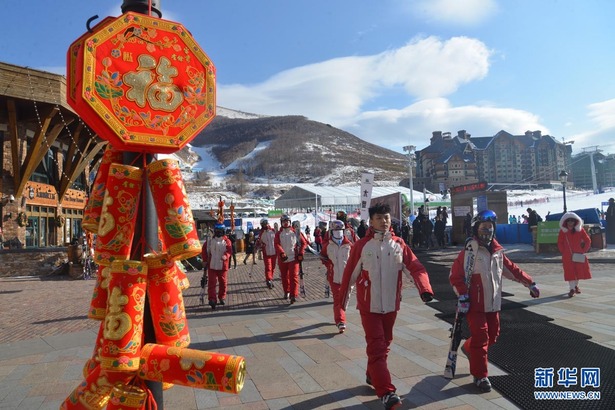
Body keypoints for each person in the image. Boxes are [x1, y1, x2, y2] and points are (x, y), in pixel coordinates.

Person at [339, 202, 434, 409]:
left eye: (387, 218)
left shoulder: (399, 244)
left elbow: (415, 268)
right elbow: (348, 278)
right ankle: (387, 393)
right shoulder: (362, 246)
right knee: (377, 347)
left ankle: (372, 375)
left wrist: (424, 289)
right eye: (379, 218)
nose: (384, 221)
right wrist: (340, 310)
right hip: (369, 306)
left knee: (384, 344)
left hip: (392, 305)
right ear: (371, 221)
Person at [449, 210, 540, 393]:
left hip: (493, 302)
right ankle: (480, 375)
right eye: (483, 227)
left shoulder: (498, 251)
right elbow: (455, 276)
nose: (487, 231)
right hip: (474, 304)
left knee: (493, 335)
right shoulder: (469, 251)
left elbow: (512, 270)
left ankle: (469, 347)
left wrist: (529, 283)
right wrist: (463, 294)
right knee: (482, 336)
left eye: (490, 228)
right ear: (476, 229)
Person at [320, 220, 352, 333]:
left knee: (345, 299)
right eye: (336, 230)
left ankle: (341, 311)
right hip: (334, 277)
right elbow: (323, 257)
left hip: (347, 277)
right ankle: (340, 321)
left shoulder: (349, 245)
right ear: (331, 231)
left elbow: (354, 259)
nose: (338, 232)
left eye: (340, 230)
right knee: (338, 299)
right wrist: (328, 264)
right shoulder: (328, 245)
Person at [557, 212, 592, 297]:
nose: (570, 222)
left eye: (572, 221)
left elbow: (588, 240)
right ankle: (572, 289)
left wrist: (583, 250)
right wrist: (563, 251)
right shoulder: (563, 231)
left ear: (575, 221)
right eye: (568, 221)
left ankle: (576, 286)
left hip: (578, 254)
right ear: (565, 222)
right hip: (567, 256)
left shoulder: (580, 230)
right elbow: (560, 242)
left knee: (578, 271)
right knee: (570, 272)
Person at [275, 214, 307, 304]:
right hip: (283, 259)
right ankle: (287, 291)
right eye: (284, 222)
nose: (286, 223)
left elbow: (304, 243)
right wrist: (281, 253)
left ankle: (293, 295)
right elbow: (277, 244)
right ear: (281, 223)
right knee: (284, 277)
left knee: (293, 277)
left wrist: (301, 253)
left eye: (287, 221)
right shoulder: (279, 234)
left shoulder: (296, 232)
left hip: (293, 258)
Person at [202, 223, 232, 310]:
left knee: (223, 282)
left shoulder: (227, 241)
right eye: (217, 231)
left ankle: (222, 297)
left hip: (222, 265)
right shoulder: (210, 241)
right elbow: (204, 250)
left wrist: (226, 256)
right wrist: (204, 260)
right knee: (212, 283)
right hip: (212, 265)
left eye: (220, 231)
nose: (219, 233)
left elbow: (230, 250)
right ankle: (212, 299)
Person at [257, 218, 277, 289]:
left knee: (273, 267)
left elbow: (277, 239)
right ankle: (269, 279)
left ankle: (270, 279)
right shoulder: (261, 233)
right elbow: (259, 242)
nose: (265, 225)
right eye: (263, 224)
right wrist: (260, 244)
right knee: (268, 267)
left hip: (274, 252)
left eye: (266, 223)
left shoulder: (273, 231)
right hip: (267, 253)